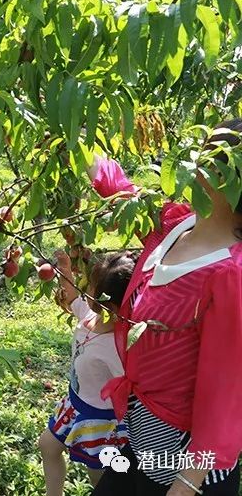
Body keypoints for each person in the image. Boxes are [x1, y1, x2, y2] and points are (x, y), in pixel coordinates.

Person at [87, 118, 242, 495]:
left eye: (213, 153)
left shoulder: (229, 276)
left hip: (187, 470)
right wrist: (78, 147)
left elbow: (225, 396)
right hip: (144, 442)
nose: (197, 158)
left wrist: (185, 485)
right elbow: (125, 195)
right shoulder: (177, 224)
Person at [39, 250, 133, 495]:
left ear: (107, 302)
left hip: (100, 418)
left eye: (90, 285)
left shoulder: (117, 346)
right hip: (75, 403)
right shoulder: (91, 315)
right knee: (47, 446)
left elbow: (129, 387)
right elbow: (71, 297)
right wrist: (64, 268)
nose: (85, 288)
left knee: (99, 479)